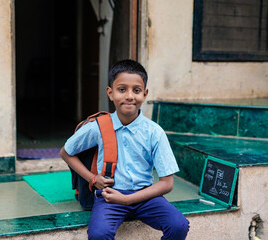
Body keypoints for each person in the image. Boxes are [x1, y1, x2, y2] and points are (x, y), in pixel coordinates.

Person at [59, 59, 189, 240]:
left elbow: (167, 183)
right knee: (98, 234)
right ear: (110, 93)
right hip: (110, 198)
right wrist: (93, 178)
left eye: (136, 90)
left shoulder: (154, 132)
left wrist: (128, 199)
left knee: (179, 226)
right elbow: (66, 152)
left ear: (145, 94)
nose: (129, 96)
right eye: (122, 90)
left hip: (145, 196)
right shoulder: (98, 127)